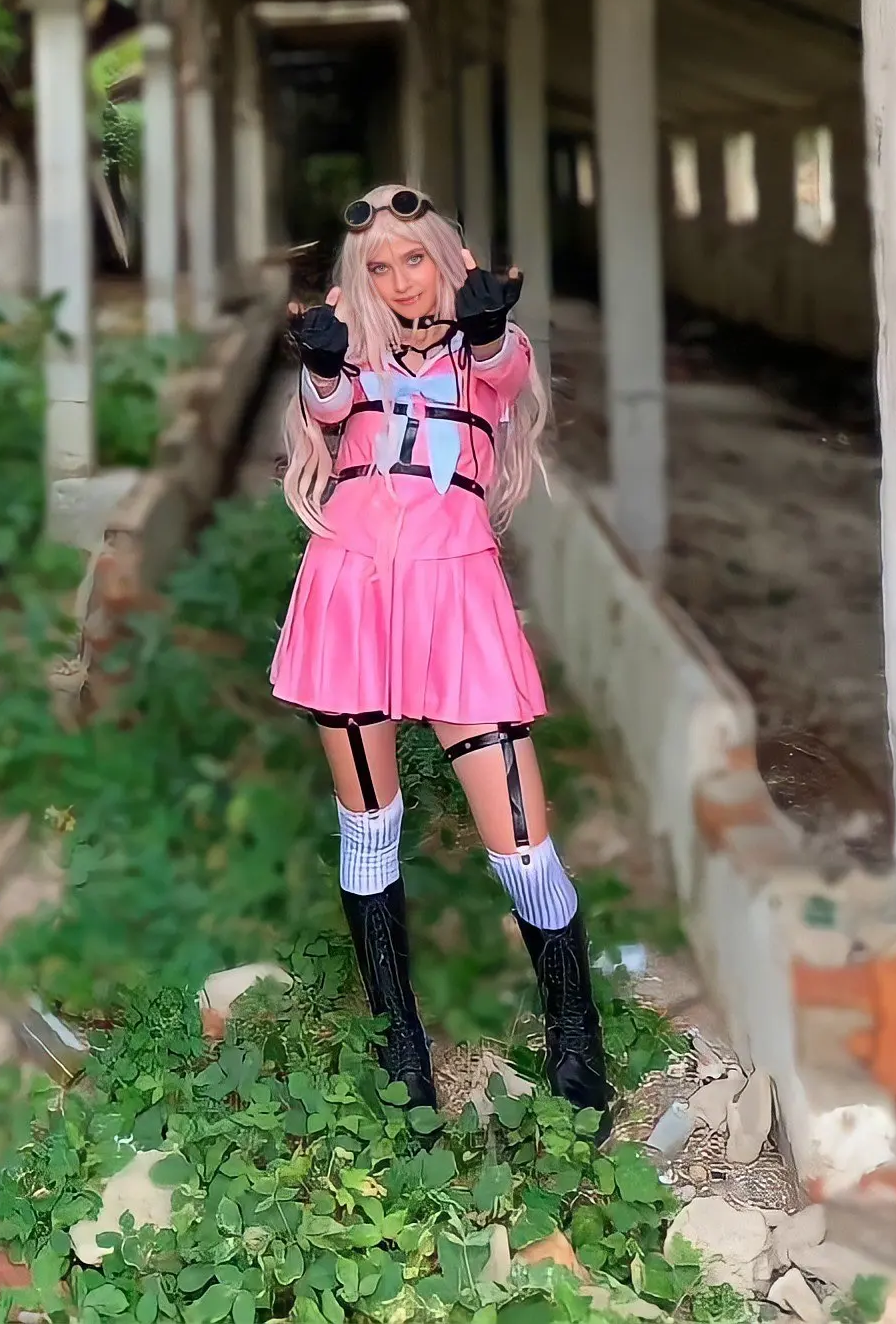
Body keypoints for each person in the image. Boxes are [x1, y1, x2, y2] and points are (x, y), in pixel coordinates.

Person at [273, 184, 610, 1130]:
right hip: (351, 586)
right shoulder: (348, 357)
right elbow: (326, 405)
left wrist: (488, 326)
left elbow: (506, 368)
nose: (398, 280)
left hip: (457, 590)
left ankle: (576, 1029)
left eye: (412, 258)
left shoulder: (482, 350)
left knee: (521, 839)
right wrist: (323, 363)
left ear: (447, 259)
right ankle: (401, 1039)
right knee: (368, 822)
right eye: (377, 266)